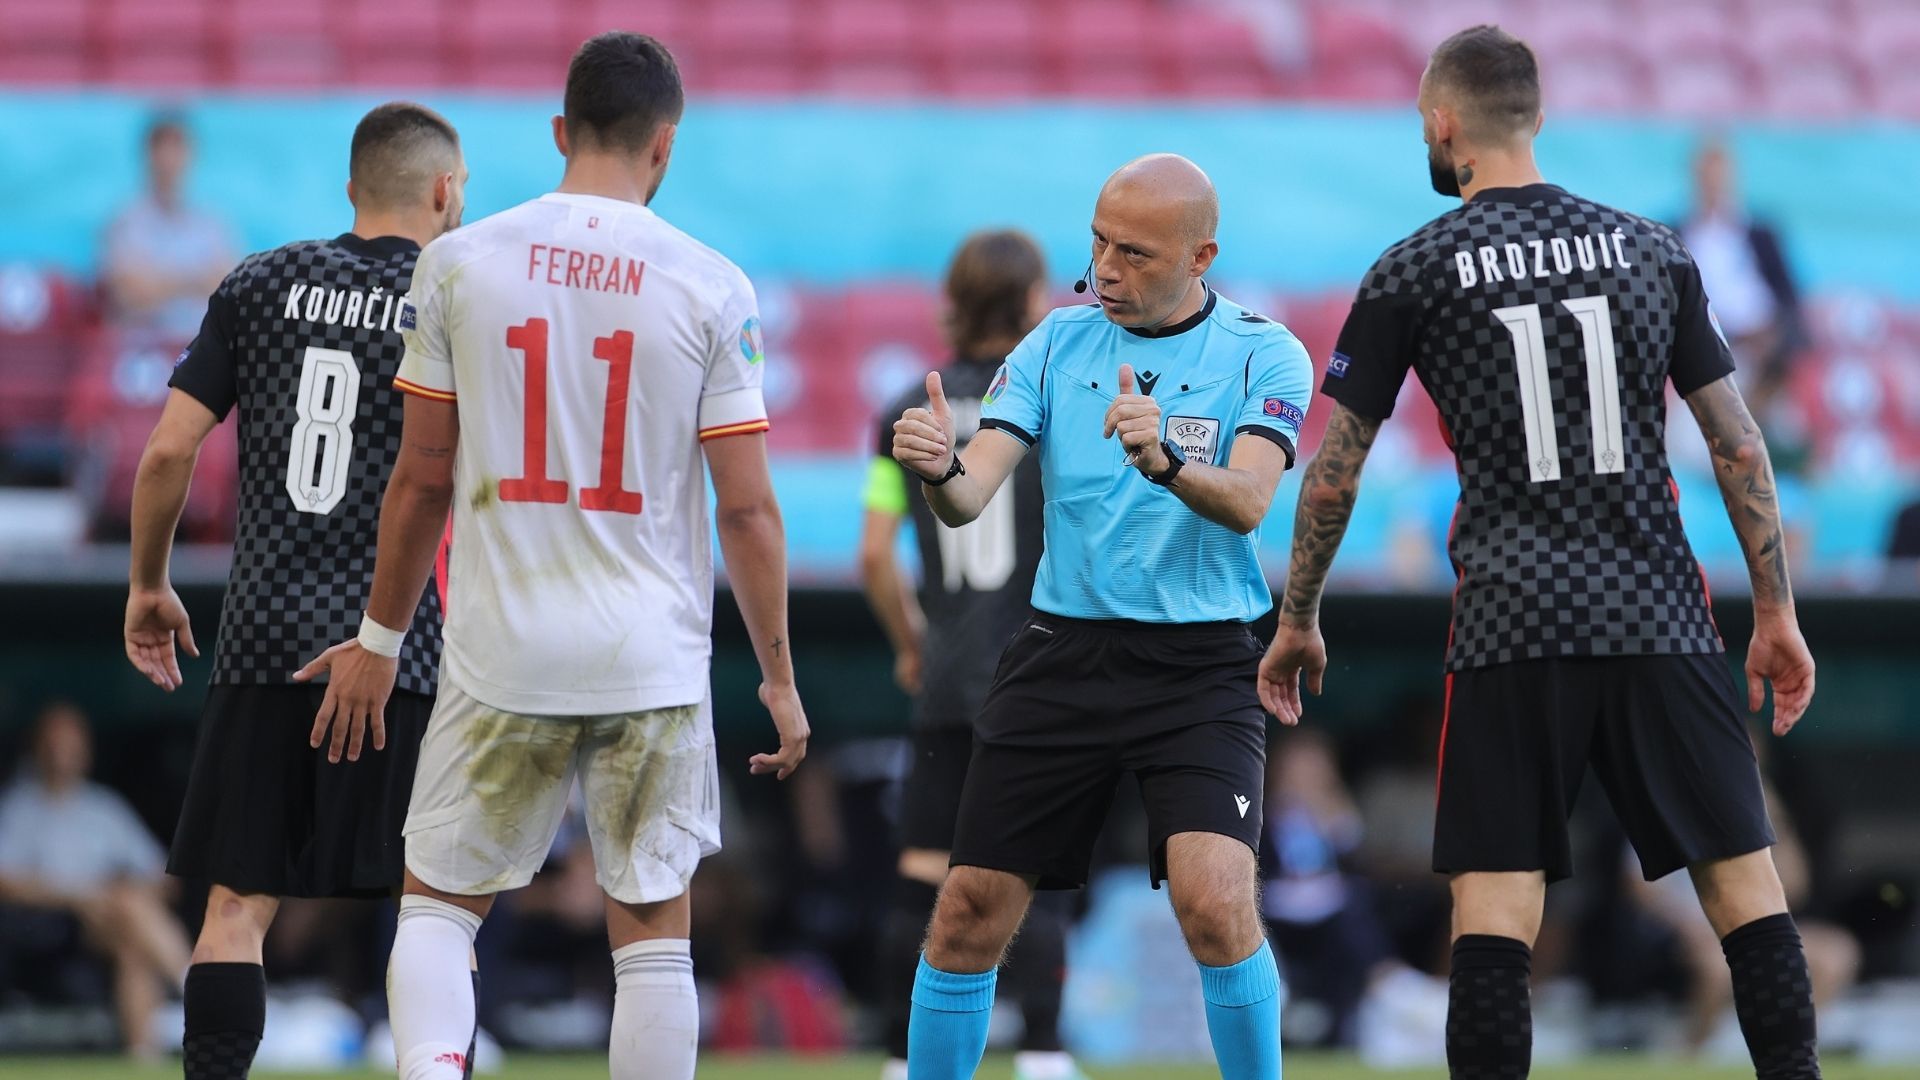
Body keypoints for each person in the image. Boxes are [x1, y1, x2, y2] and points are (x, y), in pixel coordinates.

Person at [1257, 25, 1822, 1080]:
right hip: (1660, 609)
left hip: (1514, 622)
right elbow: (1736, 439)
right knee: (1748, 892)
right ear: (1538, 117)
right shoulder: (1654, 248)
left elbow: (1332, 470)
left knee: (1496, 914)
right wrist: (1777, 611)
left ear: (1442, 122)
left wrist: (1298, 617)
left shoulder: (1414, 268)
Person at [295, 33, 809, 1080]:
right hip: (649, 655)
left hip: (500, 649)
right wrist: (781, 679)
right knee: (654, 928)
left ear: (560, 131)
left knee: (439, 904)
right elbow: (748, 512)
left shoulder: (458, 261)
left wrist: (380, 639)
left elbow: (422, 477)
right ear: (666, 145)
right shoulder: (713, 286)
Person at [891, 153, 1314, 1080]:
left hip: (1202, 665)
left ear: (1201, 255)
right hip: (1062, 653)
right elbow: (971, 498)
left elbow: (1248, 500)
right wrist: (936, 470)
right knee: (966, 911)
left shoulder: (1264, 351)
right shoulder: (1053, 344)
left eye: (1134, 251)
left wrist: (1163, 461)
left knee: (1214, 902)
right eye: (1097, 243)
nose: (1106, 269)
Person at [122, 102, 468, 1080]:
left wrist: (148, 582)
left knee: (236, 907)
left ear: (353, 187)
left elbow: (166, 453)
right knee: (436, 911)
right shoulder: (458, 298)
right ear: (444, 191)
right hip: (403, 649)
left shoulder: (257, 282)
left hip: (267, 639)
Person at [859, 230, 1082, 1080]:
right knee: (1037, 860)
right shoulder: (1046, 394)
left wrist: (915, 644)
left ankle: (894, 1053)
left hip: (950, 669)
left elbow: (875, 555)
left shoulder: (901, 412)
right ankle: (1046, 1051)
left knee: (924, 867)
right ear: (1029, 303)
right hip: (1037, 662)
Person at [0, 702, 191, 1061]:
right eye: (55, 743)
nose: (63, 753)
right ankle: (201, 992)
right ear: (38, 747)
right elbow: (5, 881)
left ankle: (143, 1057)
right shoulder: (18, 806)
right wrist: (81, 896)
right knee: (128, 910)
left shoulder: (103, 807)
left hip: (110, 921)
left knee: (133, 942)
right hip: (46, 926)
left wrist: (121, 893)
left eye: (72, 743)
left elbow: (163, 879)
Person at [1676, 140, 1806, 421]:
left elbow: (1788, 294)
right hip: (1705, 346)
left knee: (1784, 424)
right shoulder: (1677, 234)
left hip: (1762, 345)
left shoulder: (1760, 234)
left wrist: (1774, 335)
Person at [102, 114, 237, 340]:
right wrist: (196, 281)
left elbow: (232, 290)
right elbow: (131, 294)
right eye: (162, 149)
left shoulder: (211, 223)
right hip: (143, 353)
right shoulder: (125, 222)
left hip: (199, 349)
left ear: (190, 155)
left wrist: (162, 283)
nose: (169, 159)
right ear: (148, 155)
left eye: (177, 148)